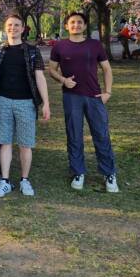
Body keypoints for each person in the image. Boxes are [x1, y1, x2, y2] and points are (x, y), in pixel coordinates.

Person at [49, 12, 119, 192]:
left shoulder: (95, 45)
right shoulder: (59, 46)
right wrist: (63, 80)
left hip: (94, 97)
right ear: (66, 26)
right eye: (72, 22)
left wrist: (108, 92)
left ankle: (109, 173)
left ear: (85, 26)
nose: (76, 25)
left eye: (79, 22)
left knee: (101, 134)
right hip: (71, 97)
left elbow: (107, 69)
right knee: (74, 135)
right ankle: (78, 172)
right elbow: (51, 69)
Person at [0, 13, 51, 197]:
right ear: (4, 28)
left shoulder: (32, 51)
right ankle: (5, 181)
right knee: (5, 142)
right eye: (10, 25)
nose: (13, 28)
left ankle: (25, 180)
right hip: (3, 102)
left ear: (23, 28)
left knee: (25, 144)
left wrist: (46, 103)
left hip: (26, 103)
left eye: (17, 25)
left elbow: (40, 77)